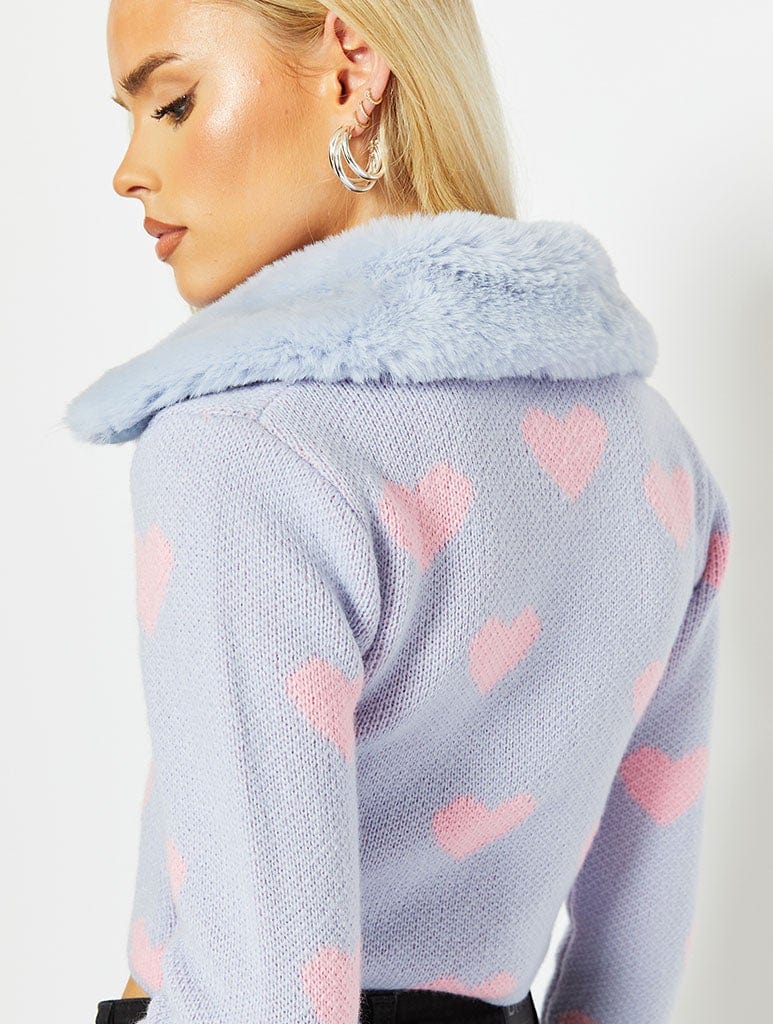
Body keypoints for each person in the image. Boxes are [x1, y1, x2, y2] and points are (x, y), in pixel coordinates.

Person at [64, 2, 732, 1023]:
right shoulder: (655, 452)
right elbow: (640, 933)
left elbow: (265, 991)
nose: (127, 172)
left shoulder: (242, 447)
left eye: (173, 102)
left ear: (349, 68)